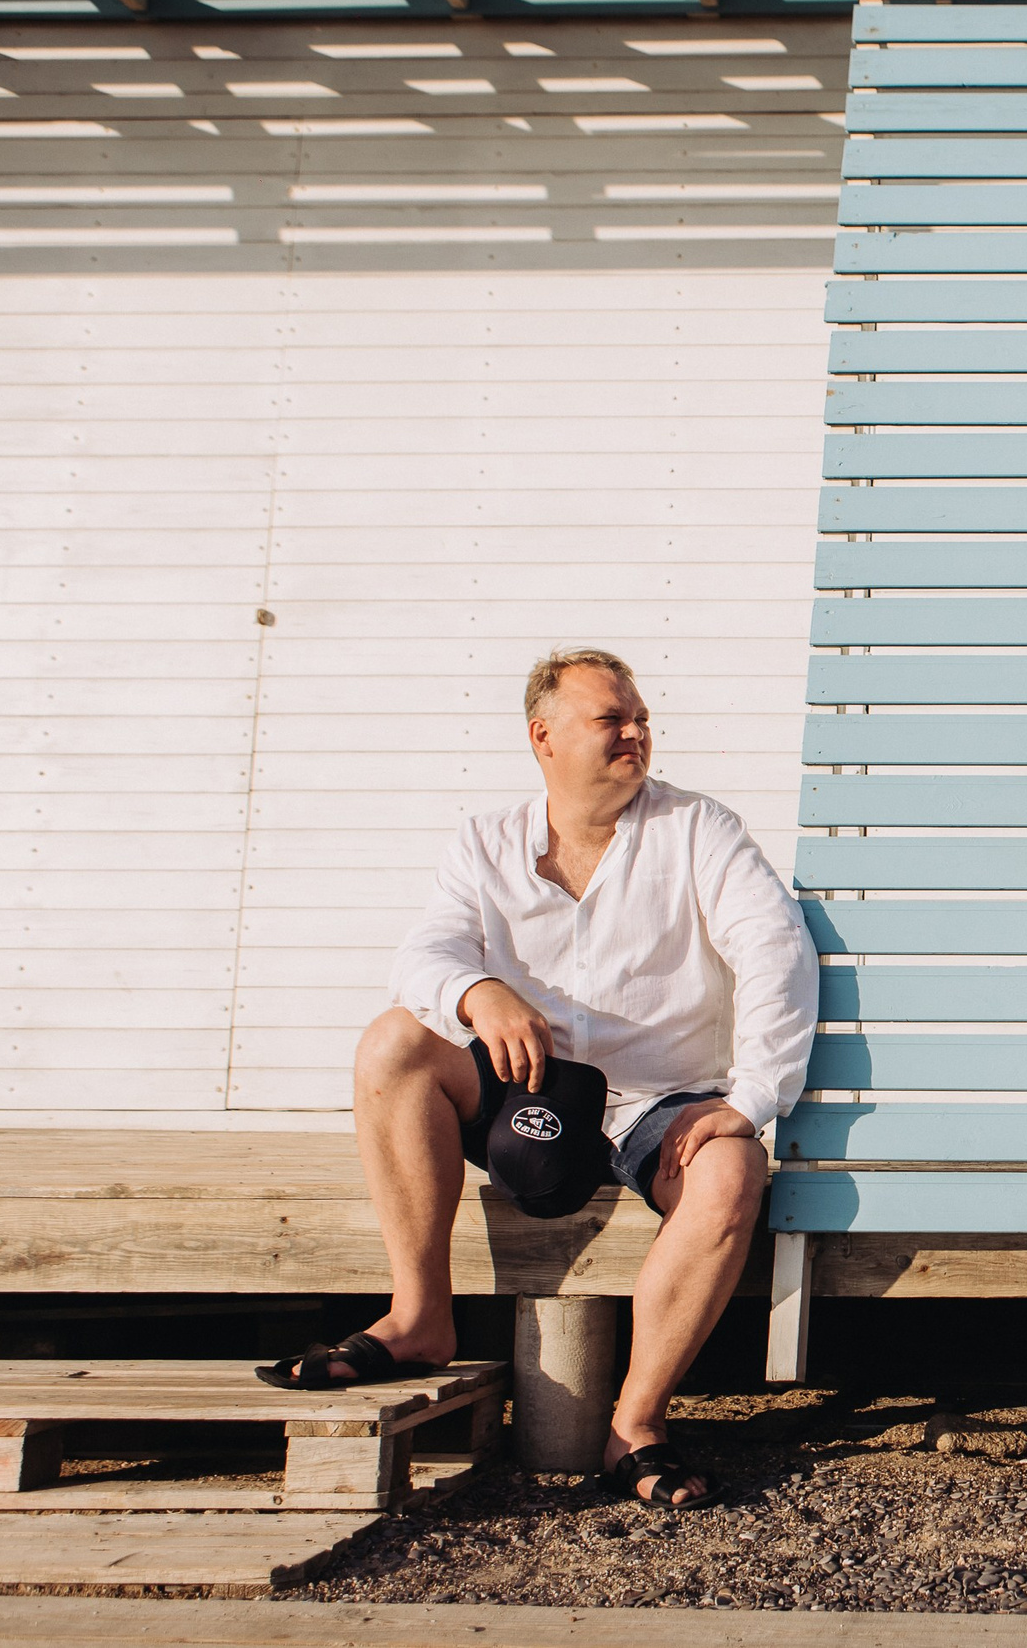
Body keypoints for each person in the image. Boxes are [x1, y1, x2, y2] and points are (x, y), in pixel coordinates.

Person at [256, 648, 818, 1513]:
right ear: (543, 737)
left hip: (655, 1106)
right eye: (611, 719)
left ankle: (635, 1427)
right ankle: (418, 1316)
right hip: (530, 1092)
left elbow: (775, 949)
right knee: (393, 1044)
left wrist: (747, 1101)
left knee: (735, 1169)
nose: (635, 732)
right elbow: (424, 953)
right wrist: (478, 992)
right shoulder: (485, 842)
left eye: (640, 717)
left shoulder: (699, 829)